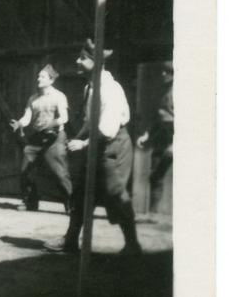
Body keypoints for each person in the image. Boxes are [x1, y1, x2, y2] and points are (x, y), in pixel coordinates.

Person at [44, 39, 142, 255]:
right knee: (80, 193)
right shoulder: (91, 86)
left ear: (96, 62)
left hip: (113, 145)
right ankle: (70, 241)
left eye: (82, 58)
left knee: (115, 194)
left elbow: (107, 129)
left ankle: (133, 245)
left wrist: (84, 143)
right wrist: (77, 137)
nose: (77, 61)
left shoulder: (110, 90)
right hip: (98, 141)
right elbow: (92, 121)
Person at [8, 64, 72, 212]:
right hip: (37, 138)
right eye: (38, 76)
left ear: (51, 80)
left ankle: (71, 204)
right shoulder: (33, 98)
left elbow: (65, 118)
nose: (38, 79)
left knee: (60, 173)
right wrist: (19, 123)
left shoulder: (59, 96)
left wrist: (52, 124)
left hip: (55, 138)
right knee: (26, 170)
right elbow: (27, 118)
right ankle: (30, 202)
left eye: (42, 76)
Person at [136, 61, 173, 213]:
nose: (164, 74)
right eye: (163, 71)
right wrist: (147, 134)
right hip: (161, 136)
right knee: (155, 176)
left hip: (173, 137)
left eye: (168, 71)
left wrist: (175, 143)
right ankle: (152, 214)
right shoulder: (162, 91)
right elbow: (158, 117)